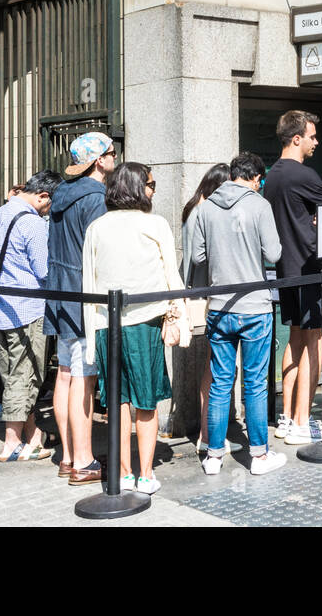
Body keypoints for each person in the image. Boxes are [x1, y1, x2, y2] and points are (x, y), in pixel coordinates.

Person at [82, 162, 189, 494]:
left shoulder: (97, 227)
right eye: (151, 185)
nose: (153, 191)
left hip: (105, 324)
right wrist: (182, 321)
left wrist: (90, 339)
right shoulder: (154, 224)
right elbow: (173, 277)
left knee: (118, 401)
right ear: (137, 187)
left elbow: (89, 284)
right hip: (145, 324)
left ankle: (125, 472)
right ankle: (145, 473)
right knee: (146, 402)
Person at [188, 153, 287, 475]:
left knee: (220, 382)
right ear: (256, 178)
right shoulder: (259, 206)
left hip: (219, 306)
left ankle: (214, 455)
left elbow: (198, 256)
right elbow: (273, 253)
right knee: (255, 383)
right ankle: (259, 456)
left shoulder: (205, 208)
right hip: (255, 306)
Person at [262, 110, 322, 446]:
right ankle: (302, 420)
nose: (315, 142)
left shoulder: (272, 177)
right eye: (311, 136)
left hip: (285, 271)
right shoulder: (305, 176)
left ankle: (286, 417)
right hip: (310, 270)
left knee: (294, 337)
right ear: (296, 138)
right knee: (315, 342)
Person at [44, 131, 116, 485]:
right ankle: (84, 461)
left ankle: (68, 457)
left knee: (66, 373)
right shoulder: (97, 198)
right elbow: (101, 252)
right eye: (112, 152)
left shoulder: (60, 194)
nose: (115, 158)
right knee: (83, 378)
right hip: (84, 294)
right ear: (99, 160)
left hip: (59, 291)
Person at [0, 170, 62, 461]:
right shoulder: (32, 224)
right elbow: (43, 270)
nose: (49, 210)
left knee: (10, 374)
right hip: (28, 309)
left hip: (2, 308)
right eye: (49, 204)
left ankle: (33, 435)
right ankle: (12, 442)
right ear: (43, 196)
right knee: (26, 375)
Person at [177, 162, 237, 449]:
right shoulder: (202, 212)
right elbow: (198, 259)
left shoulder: (194, 209)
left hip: (203, 294)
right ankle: (209, 434)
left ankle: (210, 432)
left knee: (216, 368)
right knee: (216, 369)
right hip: (208, 297)